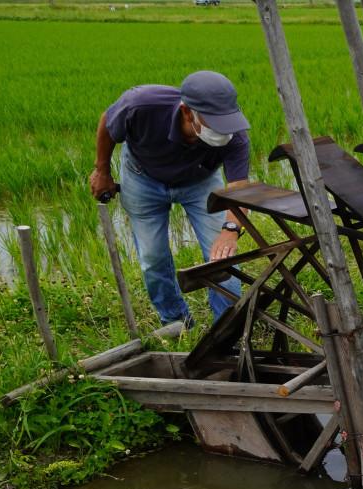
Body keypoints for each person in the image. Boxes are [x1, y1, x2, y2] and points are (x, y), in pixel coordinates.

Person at [89, 71, 247, 328]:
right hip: (143, 178)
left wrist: (231, 230)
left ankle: (226, 329)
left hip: (201, 182)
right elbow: (108, 123)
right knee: (153, 258)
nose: (224, 129)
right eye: (213, 121)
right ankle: (176, 321)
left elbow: (239, 188)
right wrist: (102, 171)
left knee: (222, 258)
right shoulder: (141, 104)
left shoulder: (235, 131)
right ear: (187, 112)